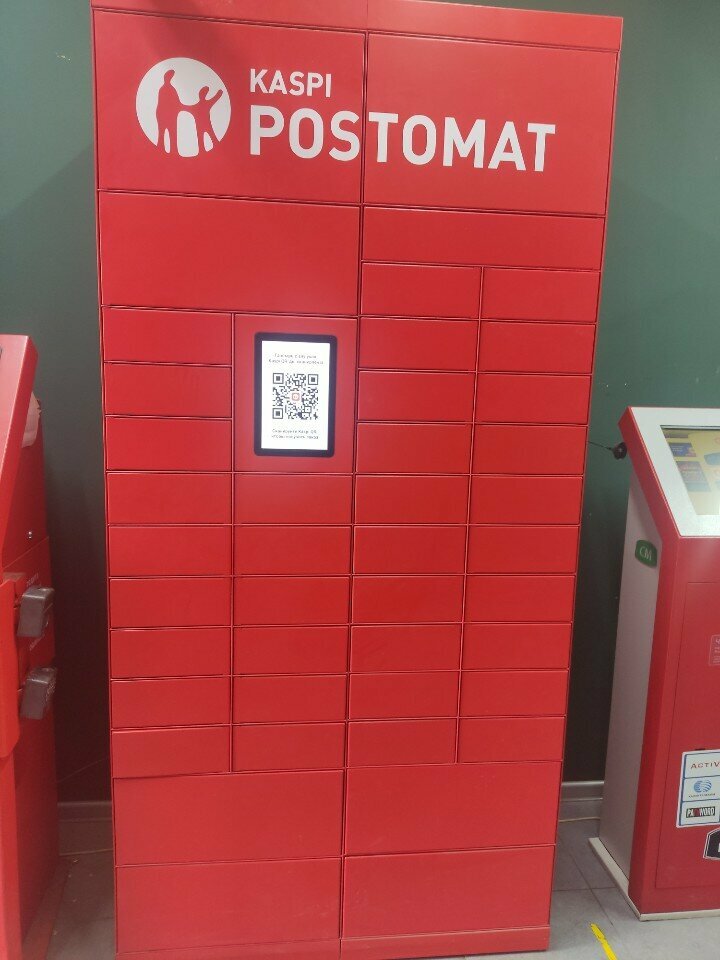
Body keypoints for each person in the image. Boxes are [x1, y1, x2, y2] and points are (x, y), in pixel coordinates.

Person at [184, 86, 224, 152]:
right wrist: (219, 92)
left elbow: (185, 107)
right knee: (209, 140)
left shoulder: (196, 106)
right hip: (205, 126)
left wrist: (219, 92)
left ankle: (215, 151)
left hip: (201, 126)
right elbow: (216, 97)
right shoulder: (206, 103)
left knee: (203, 142)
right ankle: (216, 151)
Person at [155, 69, 182, 153]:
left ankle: (173, 152)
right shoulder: (165, 89)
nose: (170, 78)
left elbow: (177, 103)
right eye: (170, 76)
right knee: (164, 133)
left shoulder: (170, 89)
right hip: (164, 115)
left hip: (168, 114)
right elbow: (176, 103)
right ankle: (161, 152)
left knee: (171, 134)